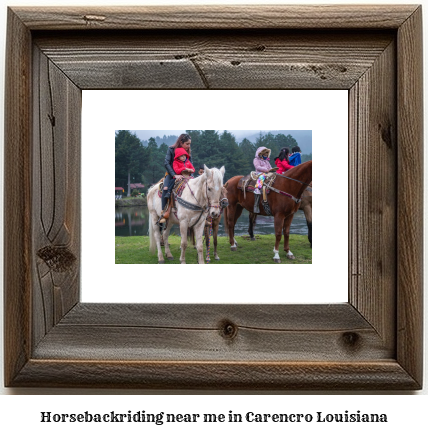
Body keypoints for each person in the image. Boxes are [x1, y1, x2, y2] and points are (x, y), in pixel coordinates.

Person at [159, 133, 192, 225]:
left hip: (186, 174)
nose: (189, 146)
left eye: (190, 144)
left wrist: (190, 172)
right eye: (187, 144)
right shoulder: (171, 149)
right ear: (181, 142)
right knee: (165, 189)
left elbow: (190, 163)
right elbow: (166, 163)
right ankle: (163, 212)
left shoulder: (188, 150)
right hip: (171, 174)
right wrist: (174, 175)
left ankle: (200, 213)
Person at [253, 146, 272, 213]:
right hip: (259, 173)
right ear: (260, 154)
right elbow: (257, 167)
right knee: (262, 176)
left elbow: (270, 167)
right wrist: (265, 170)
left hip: (267, 173)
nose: (266, 156)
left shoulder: (266, 161)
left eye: (266, 155)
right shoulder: (256, 160)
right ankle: (257, 188)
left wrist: (271, 170)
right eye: (264, 155)